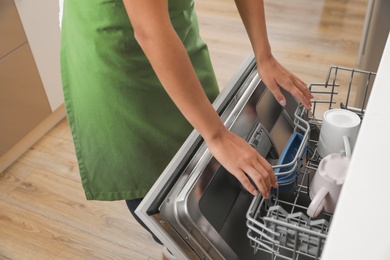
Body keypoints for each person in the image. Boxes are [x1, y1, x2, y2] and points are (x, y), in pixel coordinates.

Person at [60, 0, 312, 258]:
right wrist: (217, 135)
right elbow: (150, 29)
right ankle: (175, 248)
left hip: (172, 25)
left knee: (207, 168)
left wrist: (264, 54)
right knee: (158, 190)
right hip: (121, 54)